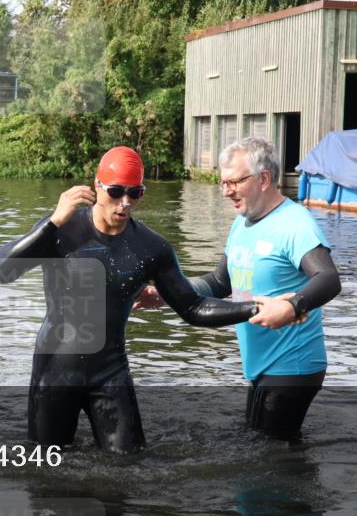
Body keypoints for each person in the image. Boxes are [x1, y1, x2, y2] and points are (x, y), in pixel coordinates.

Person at [0, 146, 260, 453]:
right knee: (46, 464)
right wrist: (51, 222)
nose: (125, 203)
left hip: (110, 371)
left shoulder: (151, 248)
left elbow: (193, 307)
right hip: (55, 370)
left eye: (135, 193)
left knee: (129, 465)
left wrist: (255, 308)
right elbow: (3, 271)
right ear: (97, 186)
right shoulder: (61, 230)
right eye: (116, 191)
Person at [134, 138, 341, 441]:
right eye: (223, 182)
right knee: (264, 445)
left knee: (269, 454)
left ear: (264, 179)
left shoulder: (295, 224)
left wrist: (292, 306)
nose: (226, 191)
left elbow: (328, 278)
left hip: (292, 364)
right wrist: (168, 293)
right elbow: (220, 283)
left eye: (234, 182)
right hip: (263, 362)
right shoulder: (242, 224)